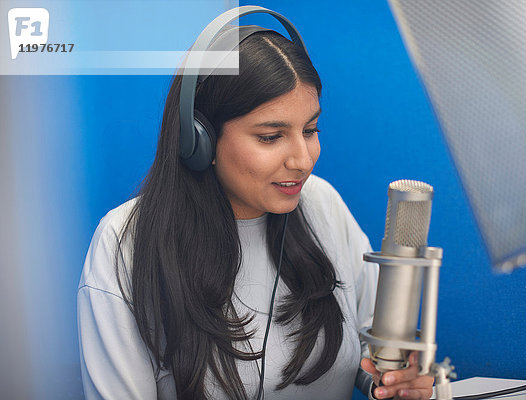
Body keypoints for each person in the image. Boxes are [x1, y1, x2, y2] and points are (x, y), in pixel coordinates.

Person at [77, 22, 434, 400]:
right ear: (200, 139)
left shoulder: (321, 203)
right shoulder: (125, 244)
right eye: (270, 136)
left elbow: (368, 341)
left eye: (310, 130)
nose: (303, 160)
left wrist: (393, 377)